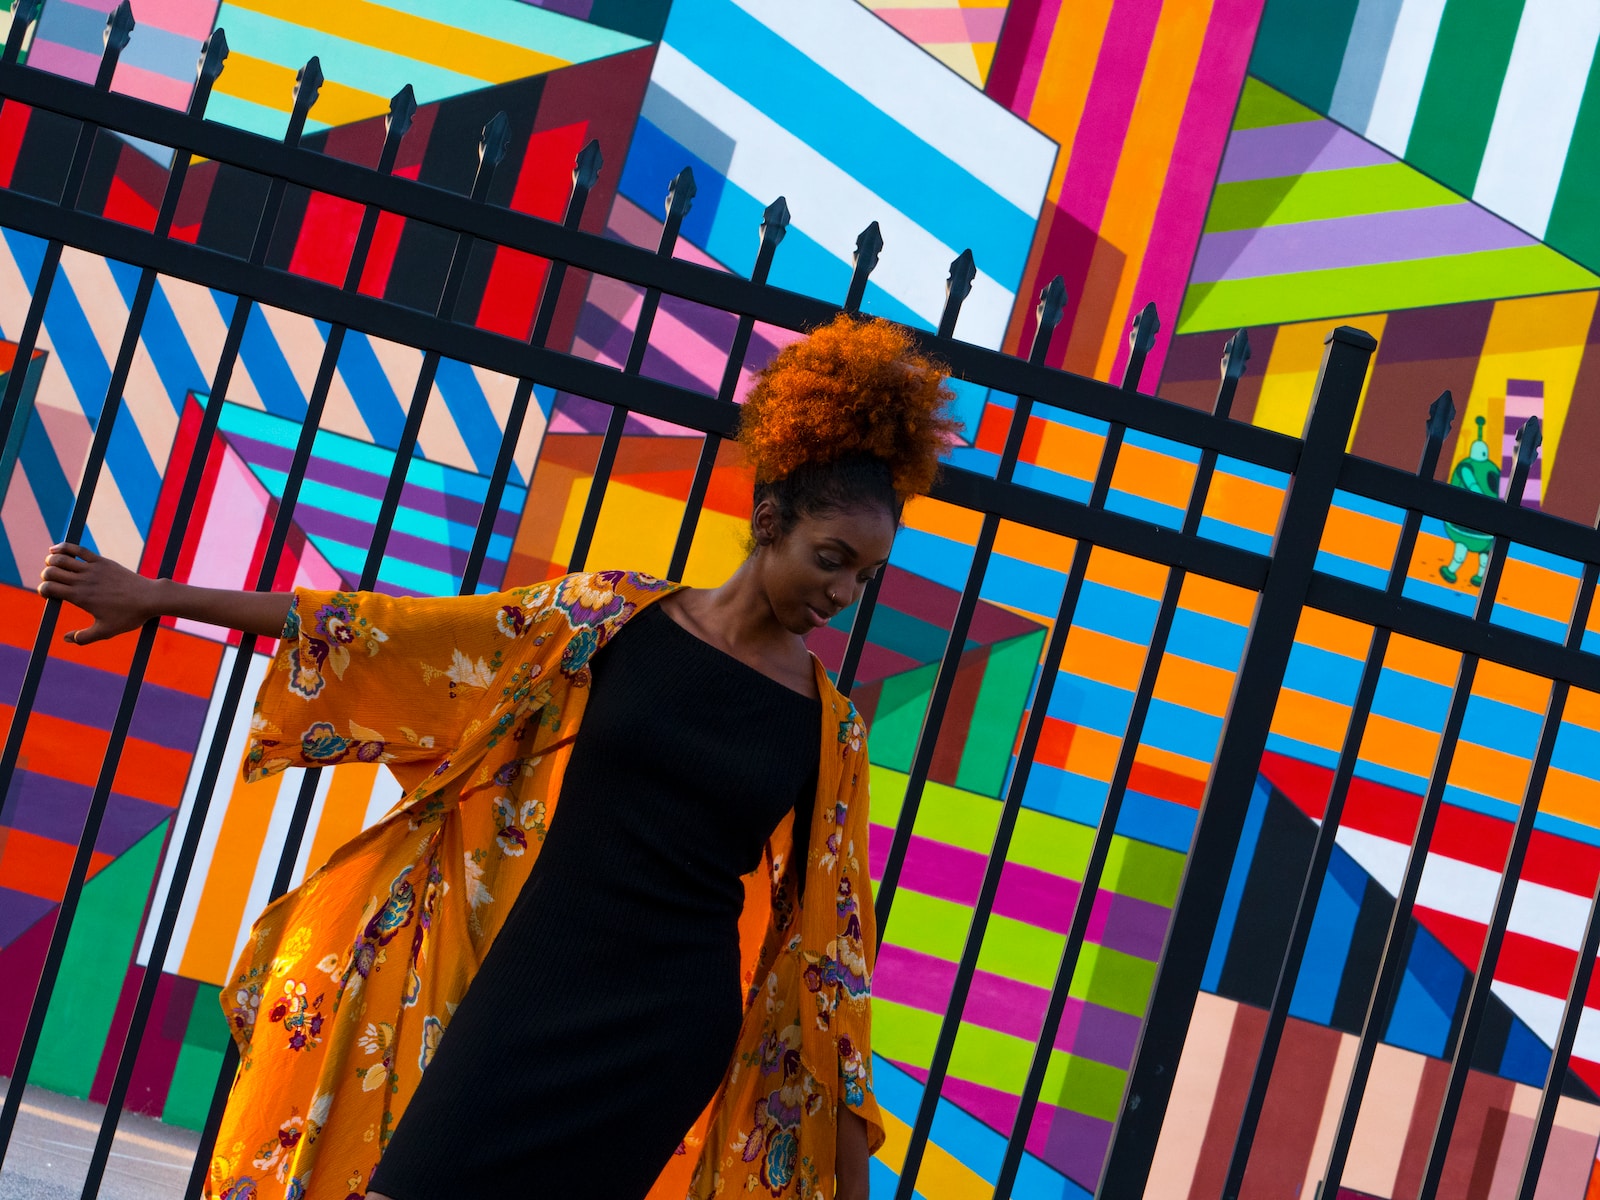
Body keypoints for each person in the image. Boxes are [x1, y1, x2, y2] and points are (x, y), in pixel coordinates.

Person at [38, 314, 961, 1200]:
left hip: (668, 1027)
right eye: (830, 558)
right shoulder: (608, 622)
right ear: (770, 517)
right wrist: (153, 594)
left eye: (862, 577)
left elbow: (835, 957)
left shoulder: (827, 728)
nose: (842, 593)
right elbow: (389, 632)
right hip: (532, 978)